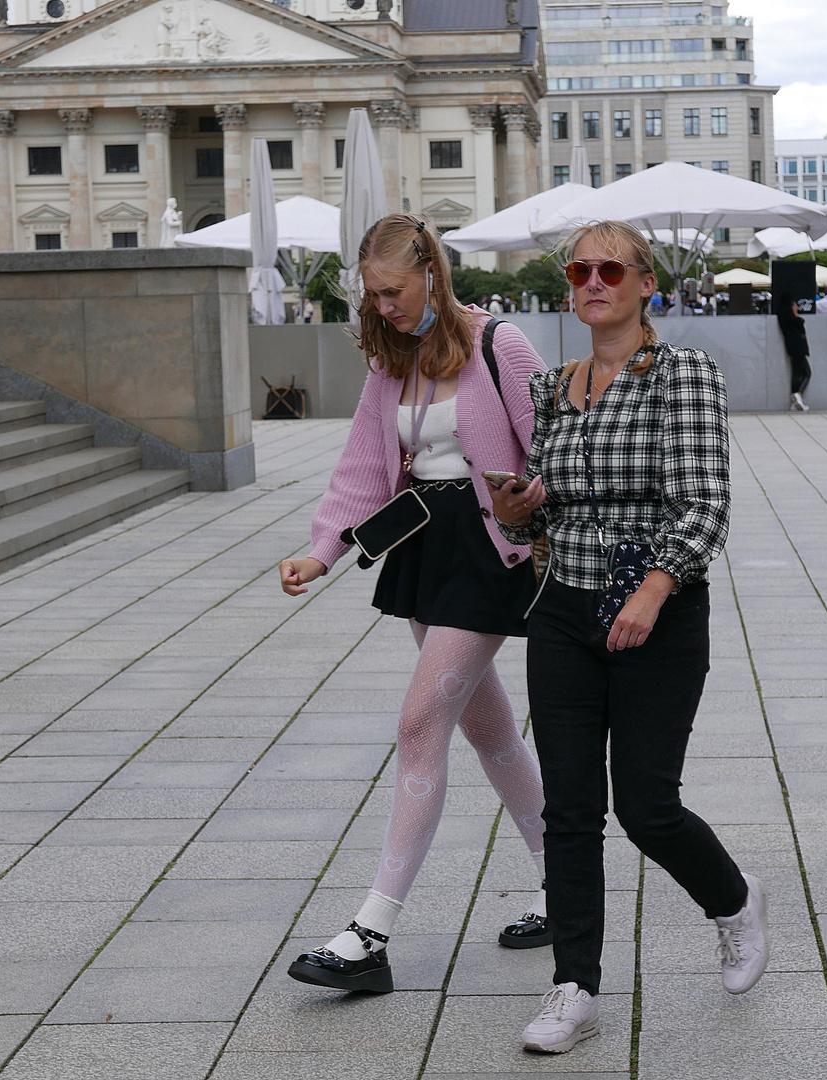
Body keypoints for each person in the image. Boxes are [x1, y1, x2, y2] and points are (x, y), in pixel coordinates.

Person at [489, 220, 767, 1054]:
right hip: (564, 608)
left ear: (647, 284)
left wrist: (653, 589)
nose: (592, 281)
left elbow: (704, 504)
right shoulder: (555, 385)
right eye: (579, 269)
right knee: (569, 809)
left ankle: (732, 900)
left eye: (611, 268)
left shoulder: (681, 375)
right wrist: (516, 511)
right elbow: (547, 501)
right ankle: (573, 987)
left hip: (658, 610)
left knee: (645, 806)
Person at [278, 214, 552, 994]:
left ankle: (370, 932)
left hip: (488, 551)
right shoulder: (391, 360)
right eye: (373, 293)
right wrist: (320, 551)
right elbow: (364, 468)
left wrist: (531, 497)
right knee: (486, 725)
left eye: (393, 290)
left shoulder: (499, 343)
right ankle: (564, 881)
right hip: (427, 550)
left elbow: (553, 448)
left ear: (431, 273)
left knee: (418, 722)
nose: (385, 305)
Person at [777, 299, 812, 411]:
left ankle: (795, 399)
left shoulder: (783, 317)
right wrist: (796, 313)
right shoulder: (794, 319)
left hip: (791, 348)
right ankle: (798, 394)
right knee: (807, 372)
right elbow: (800, 322)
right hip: (799, 347)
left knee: (795, 372)